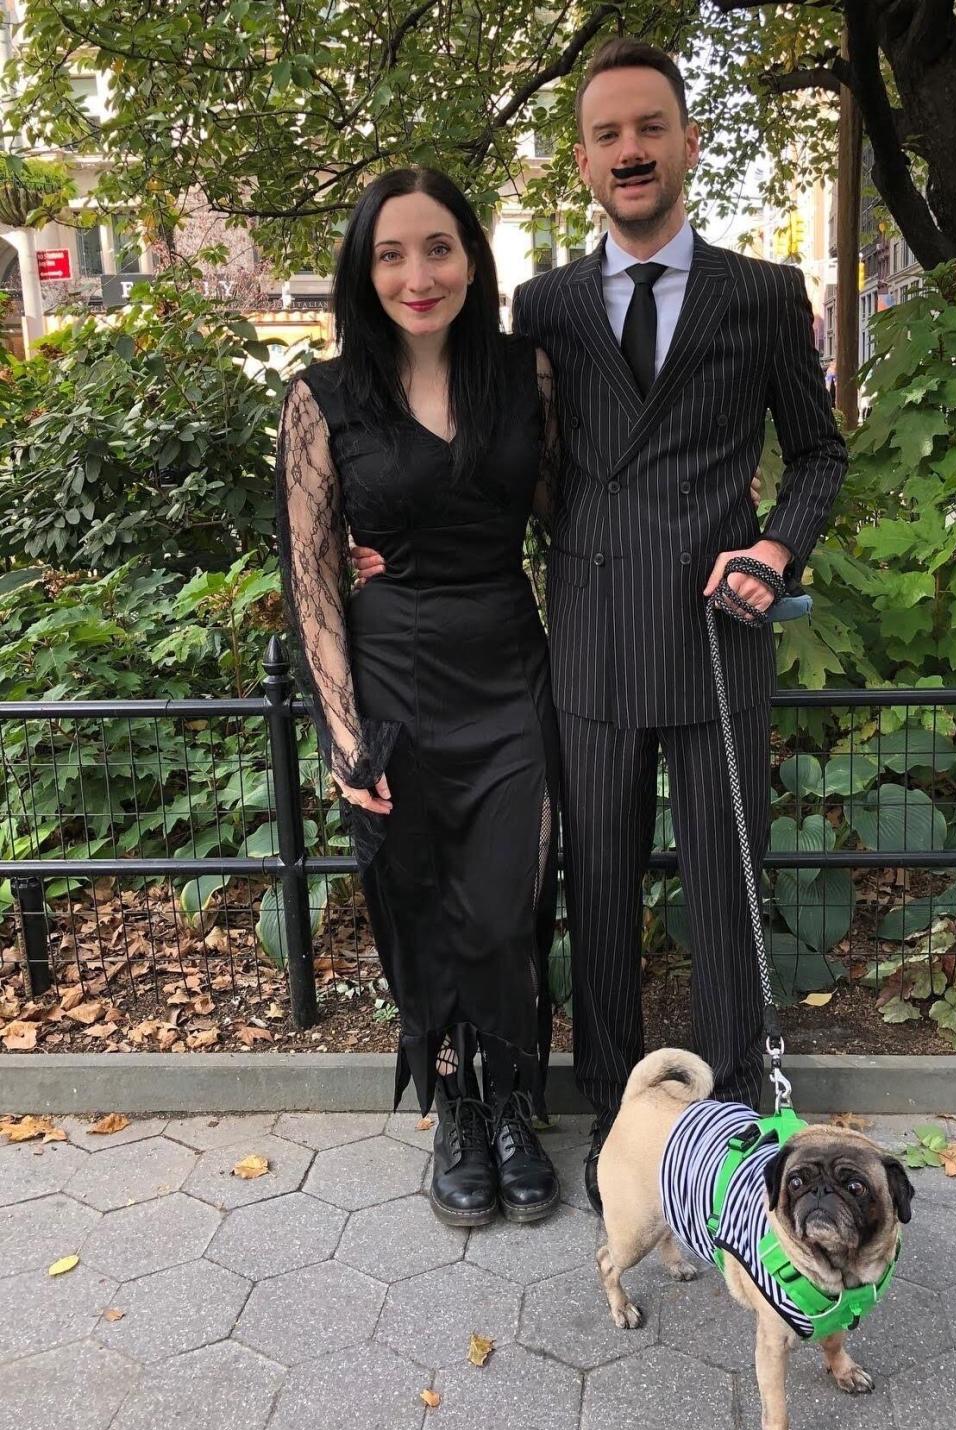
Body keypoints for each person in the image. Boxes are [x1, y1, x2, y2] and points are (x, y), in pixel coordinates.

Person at [353, 40, 847, 1215]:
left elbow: (821, 455)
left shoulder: (764, 295)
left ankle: (726, 1125)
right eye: (608, 135)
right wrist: (387, 545)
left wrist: (775, 548)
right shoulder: (546, 308)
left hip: (721, 641)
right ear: (582, 160)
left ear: (685, 141)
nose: (630, 150)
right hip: (585, 640)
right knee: (602, 885)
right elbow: (506, 460)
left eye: (650, 128)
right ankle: (625, 1118)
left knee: (727, 886)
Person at [274, 167, 561, 1229]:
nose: (417, 273)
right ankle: (455, 1107)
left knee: (503, 907)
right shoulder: (323, 399)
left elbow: (571, 511)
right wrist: (346, 735)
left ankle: (512, 1099)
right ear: (364, 269)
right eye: (391, 253)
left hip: (508, 677)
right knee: (418, 909)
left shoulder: (524, 374)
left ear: (472, 258)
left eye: (437, 247)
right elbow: (309, 578)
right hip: (391, 682)